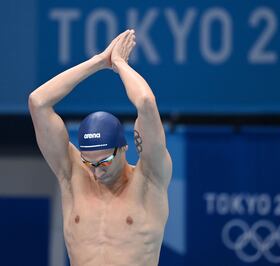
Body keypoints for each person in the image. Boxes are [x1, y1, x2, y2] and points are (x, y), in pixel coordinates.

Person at [28, 29, 172, 266]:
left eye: (104, 162)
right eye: (89, 162)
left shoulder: (149, 179)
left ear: (124, 148)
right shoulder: (73, 176)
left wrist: (119, 64)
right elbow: (38, 101)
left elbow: (146, 102)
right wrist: (98, 61)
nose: (96, 171)